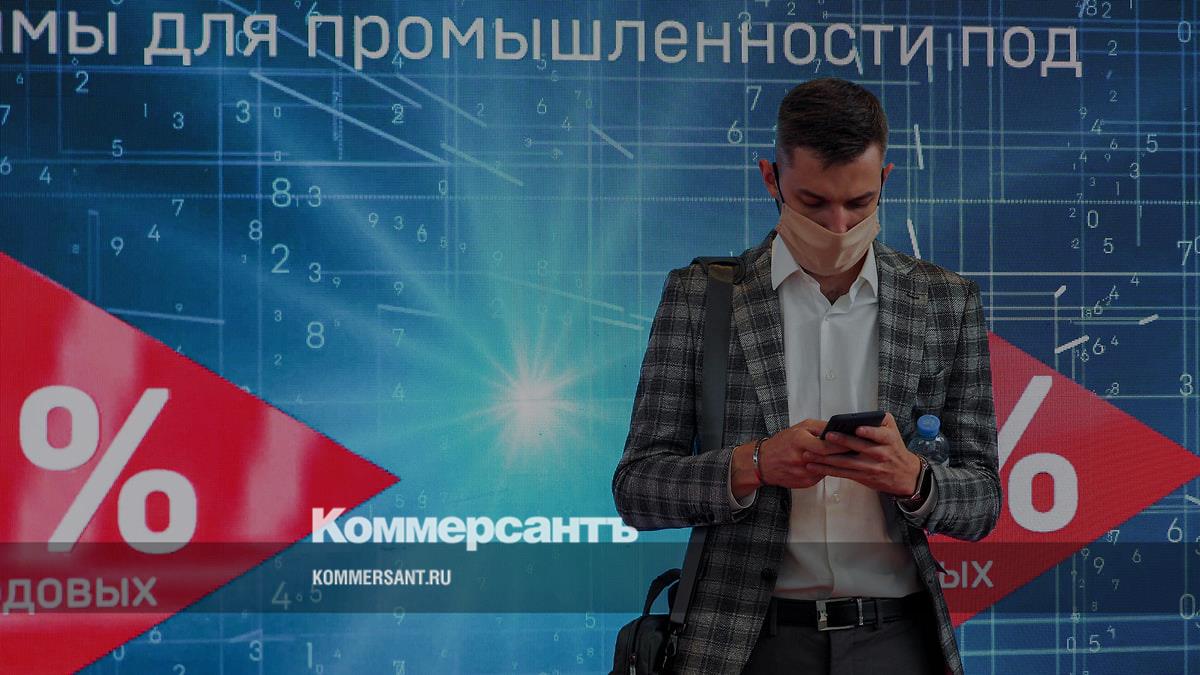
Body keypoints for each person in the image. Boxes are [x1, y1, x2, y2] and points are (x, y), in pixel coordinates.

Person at [612, 77, 1001, 674]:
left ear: (886, 180)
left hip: (900, 641)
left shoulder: (944, 302)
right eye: (814, 203)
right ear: (771, 178)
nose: (838, 226)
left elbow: (984, 500)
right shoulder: (701, 297)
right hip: (744, 645)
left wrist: (915, 480)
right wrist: (754, 465)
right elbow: (637, 488)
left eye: (860, 203)